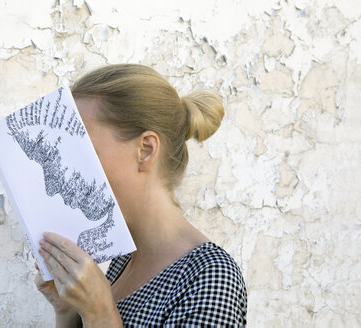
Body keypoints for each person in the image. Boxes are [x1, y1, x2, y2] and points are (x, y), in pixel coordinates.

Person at [32, 63, 247, 327]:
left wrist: (100, 314)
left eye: (85, 151)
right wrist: (68, 311)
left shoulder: (210, 277)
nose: (69, 172)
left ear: (145, 149)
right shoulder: (124, 257)